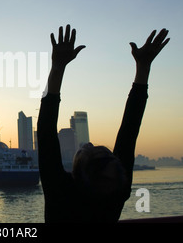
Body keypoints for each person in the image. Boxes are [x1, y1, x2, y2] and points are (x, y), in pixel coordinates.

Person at [37, 24, 169, 223]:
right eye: (101, 150)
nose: (88, 144)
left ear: (78, 174)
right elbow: (129, 130)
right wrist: (143, 68)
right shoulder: (114, 191)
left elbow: (46, 130)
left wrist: (57, 68)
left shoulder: (63, 192)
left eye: (88, 151)